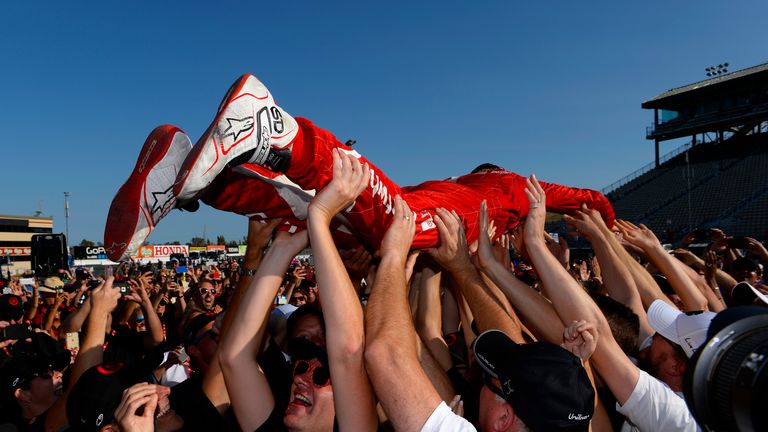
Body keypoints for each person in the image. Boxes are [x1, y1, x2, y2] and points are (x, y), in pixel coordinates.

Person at [104, 74, 614, 262]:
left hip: (424, 197)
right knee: (396, 228)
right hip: (452, 213)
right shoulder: (510, 190)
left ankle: (195, 179)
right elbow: (584, 196)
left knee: (307, 213)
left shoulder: (452, 185)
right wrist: (606, 223)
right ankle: (280, 131)